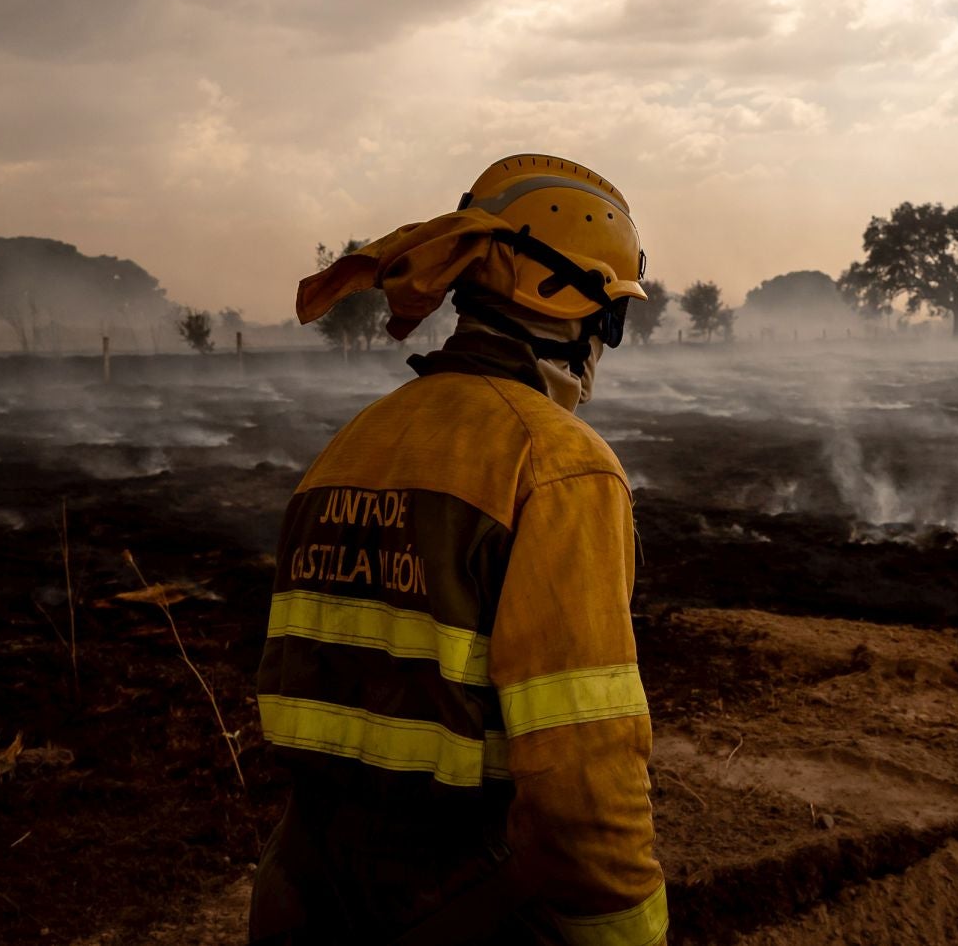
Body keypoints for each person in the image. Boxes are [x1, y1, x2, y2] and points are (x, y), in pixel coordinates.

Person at [249, 154, 667, 946]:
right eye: (614, 317)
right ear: (583, 312)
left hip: (298, 888)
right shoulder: (558, 464)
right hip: (459, 898)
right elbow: (582, 774)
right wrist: (626, 931)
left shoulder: (353, 443)